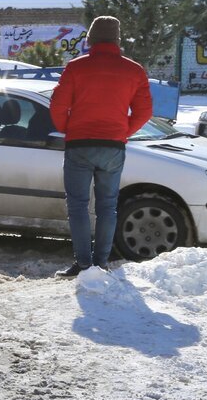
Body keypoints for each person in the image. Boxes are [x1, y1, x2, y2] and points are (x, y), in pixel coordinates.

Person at [50, 16, 153, 277]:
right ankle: (102, 262)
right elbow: (144, 111)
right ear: (117, 40)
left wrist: (68, 129)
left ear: (91, 40)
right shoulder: (134, 70)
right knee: (108, 205)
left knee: (78, 205)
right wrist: (122, 132)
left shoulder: (75, 68)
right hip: (113, 147)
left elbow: (58, 105)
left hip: (80, 144)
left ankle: (83, 264)